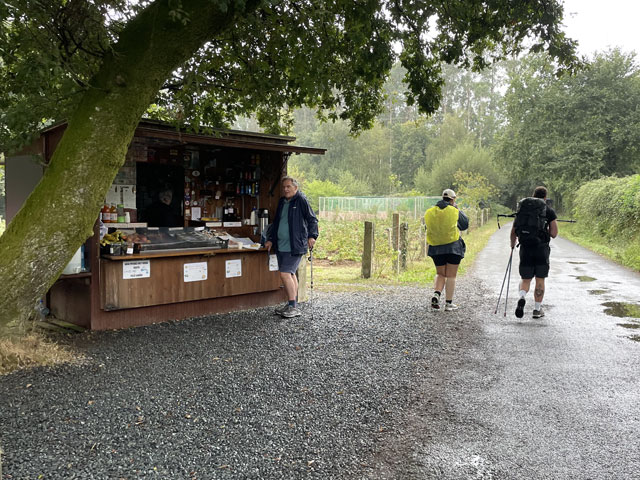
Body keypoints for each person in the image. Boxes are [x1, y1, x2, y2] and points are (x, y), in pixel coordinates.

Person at [265, 176, 318, 318]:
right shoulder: (282, 201)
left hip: (295, 245)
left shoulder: (301, 200)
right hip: (281, 245)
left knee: (285, 274)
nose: (286, 189)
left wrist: (312, 236)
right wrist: (270, 239)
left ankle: (292, 306)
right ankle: (292, 305)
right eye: (284, 187)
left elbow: (312, 219)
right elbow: (277, 222)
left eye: (288, 186)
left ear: (296, 187)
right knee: (291, 274)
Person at [510, 186, 558, 319]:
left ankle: (522, 297)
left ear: (533, 195)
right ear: (545, 197)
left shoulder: (523, 210)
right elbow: (554, 233)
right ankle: (537, 310)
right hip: (541, 249)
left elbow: (514, 231)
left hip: (526, 248)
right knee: (540, 279)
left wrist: (512, 245)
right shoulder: (548, 210)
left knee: (525, 279)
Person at [425, 188, 469, 311]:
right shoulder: (454, 210)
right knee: (451, 276)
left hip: (436, 248)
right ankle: (448, 304)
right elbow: (464, 225)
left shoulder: (430, 211)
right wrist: (457, 209)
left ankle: (436, 294)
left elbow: (427, 227)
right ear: (453, 199)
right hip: (453, 247)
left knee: (440, 274)